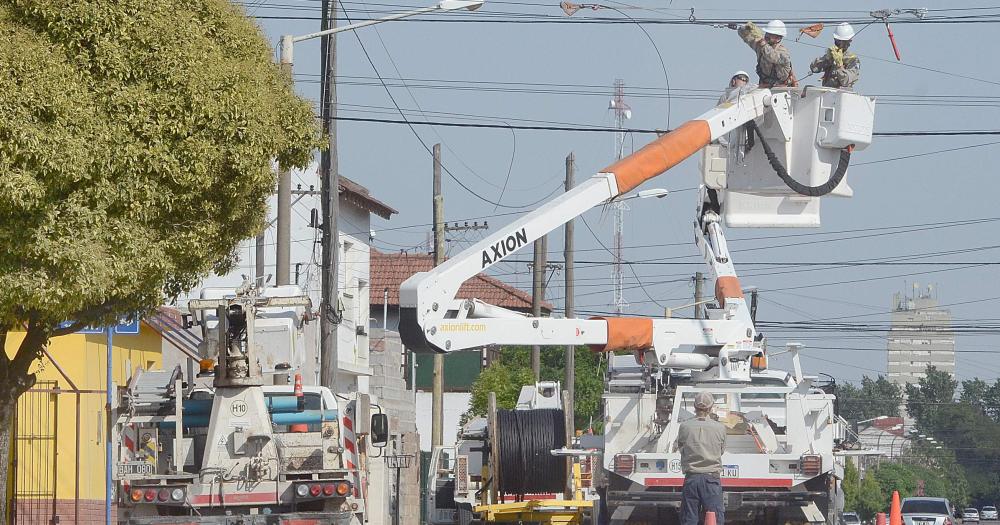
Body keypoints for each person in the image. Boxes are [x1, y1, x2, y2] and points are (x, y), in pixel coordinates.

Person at [676, 391, 727, 525]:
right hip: (711, 479)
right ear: (710, 408)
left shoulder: (685, 427)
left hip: (691, 478)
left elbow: (681, 448)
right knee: (714, 518)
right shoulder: (720, 428)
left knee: (689, 518)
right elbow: (721, 450)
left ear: (694, 406)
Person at [733, 20, 797, 88]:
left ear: (778, 38)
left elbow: (772, 56)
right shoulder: (761, 47)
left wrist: (763, 44)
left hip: (782, 89)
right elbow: (748, 39)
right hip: (764, 88)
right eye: (767, 33)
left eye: (771, 34)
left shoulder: (783, 52)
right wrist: (743, 29)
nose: (767, 36)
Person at [809, 22, 861, 89]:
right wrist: (827, 58)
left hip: (842, 95)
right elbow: (814, 69)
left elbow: (845, 81)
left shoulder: (853, 60)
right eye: (837, 41)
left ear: (849, 42)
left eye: (842, 41)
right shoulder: (832, 55)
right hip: (827, 93)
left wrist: (839, 66)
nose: (839, 44)